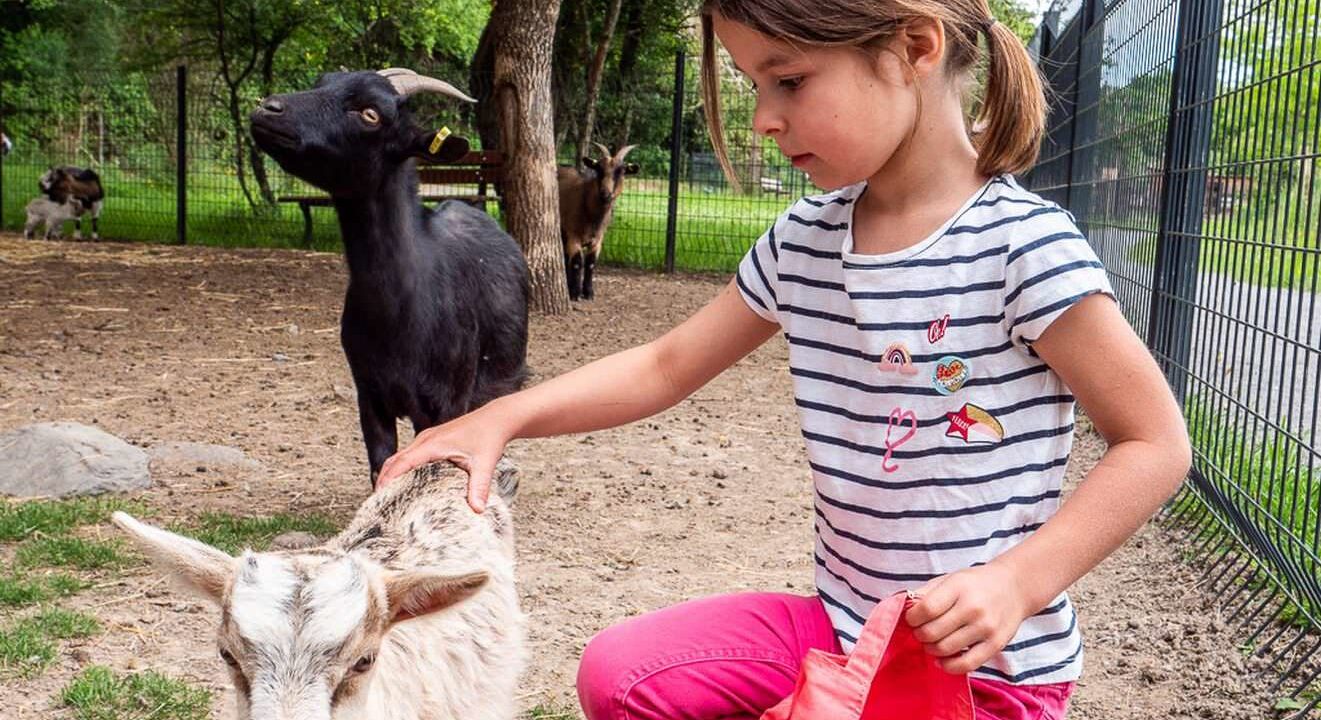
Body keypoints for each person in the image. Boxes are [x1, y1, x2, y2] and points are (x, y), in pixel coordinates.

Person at [376, 1, 1192, 718]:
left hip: (980, 670)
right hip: (841, 628)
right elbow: (666, 365)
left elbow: (1153, 443)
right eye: (752, 86)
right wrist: (502, 415)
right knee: (621, 677)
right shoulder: (804, 239)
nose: (764, 117)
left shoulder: (1024, 249)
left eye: (789, 81)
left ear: (914, 46)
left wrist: (1015, 583)